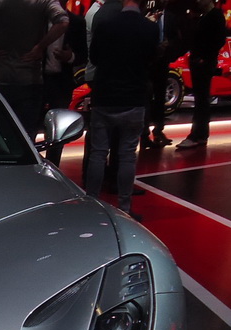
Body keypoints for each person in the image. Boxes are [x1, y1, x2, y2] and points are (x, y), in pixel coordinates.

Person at [84, 0, 157, 220]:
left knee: (98, 153)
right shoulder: (150, 28)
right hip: (133, 97)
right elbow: (151, 60)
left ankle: (92, 204)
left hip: (104, 96)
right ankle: (125, 207)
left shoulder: (105, 25)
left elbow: (94, 57)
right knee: (127, 156)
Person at [0, 0, 69, 137]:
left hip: (1, 77)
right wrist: (41, 46)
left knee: (1, 133)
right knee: (27, 134)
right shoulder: (43, 2)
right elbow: (63, 21)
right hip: (30, 78)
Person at [176, 0, 224, 150]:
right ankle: (201, 134)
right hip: (200, 61)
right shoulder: (205, 16)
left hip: (203, 63)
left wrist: (205, 57)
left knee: (201, 99)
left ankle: (197, 134)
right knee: (201, 99)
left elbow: (219, 40)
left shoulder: (215, 16)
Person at [41, 0, 85, 166]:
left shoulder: (77, 23)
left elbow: (83, 54)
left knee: (58, 131)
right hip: (36, 80)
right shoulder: (37, 20)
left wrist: (70, 56)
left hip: (61, 83)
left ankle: (53, 167)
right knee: (29, 128)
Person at [141, 2, 185, 149]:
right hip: (147, 64)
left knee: (160, 97)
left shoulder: (172, 18)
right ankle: (144, 134)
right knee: (146, 99)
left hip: (163, 63)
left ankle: (158, 130)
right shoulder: (145, 14)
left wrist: (168, 45)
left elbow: (178, 40)